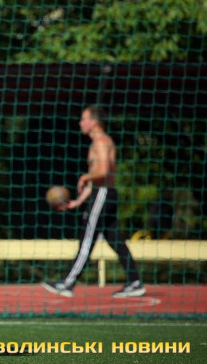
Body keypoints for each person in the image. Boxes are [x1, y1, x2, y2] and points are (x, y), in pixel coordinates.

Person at [42, 105, 145, 298]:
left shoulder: (101, 141)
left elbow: (104, 171)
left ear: (94, 122)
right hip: (103, 192)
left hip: (103, 193)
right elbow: (97, 179)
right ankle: (135, 281)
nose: (80, 122)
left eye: (84, 119)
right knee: (115, 239)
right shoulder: (99, 142)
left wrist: (85, 177)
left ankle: (68, 283)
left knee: (87, 237)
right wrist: (78, 201)